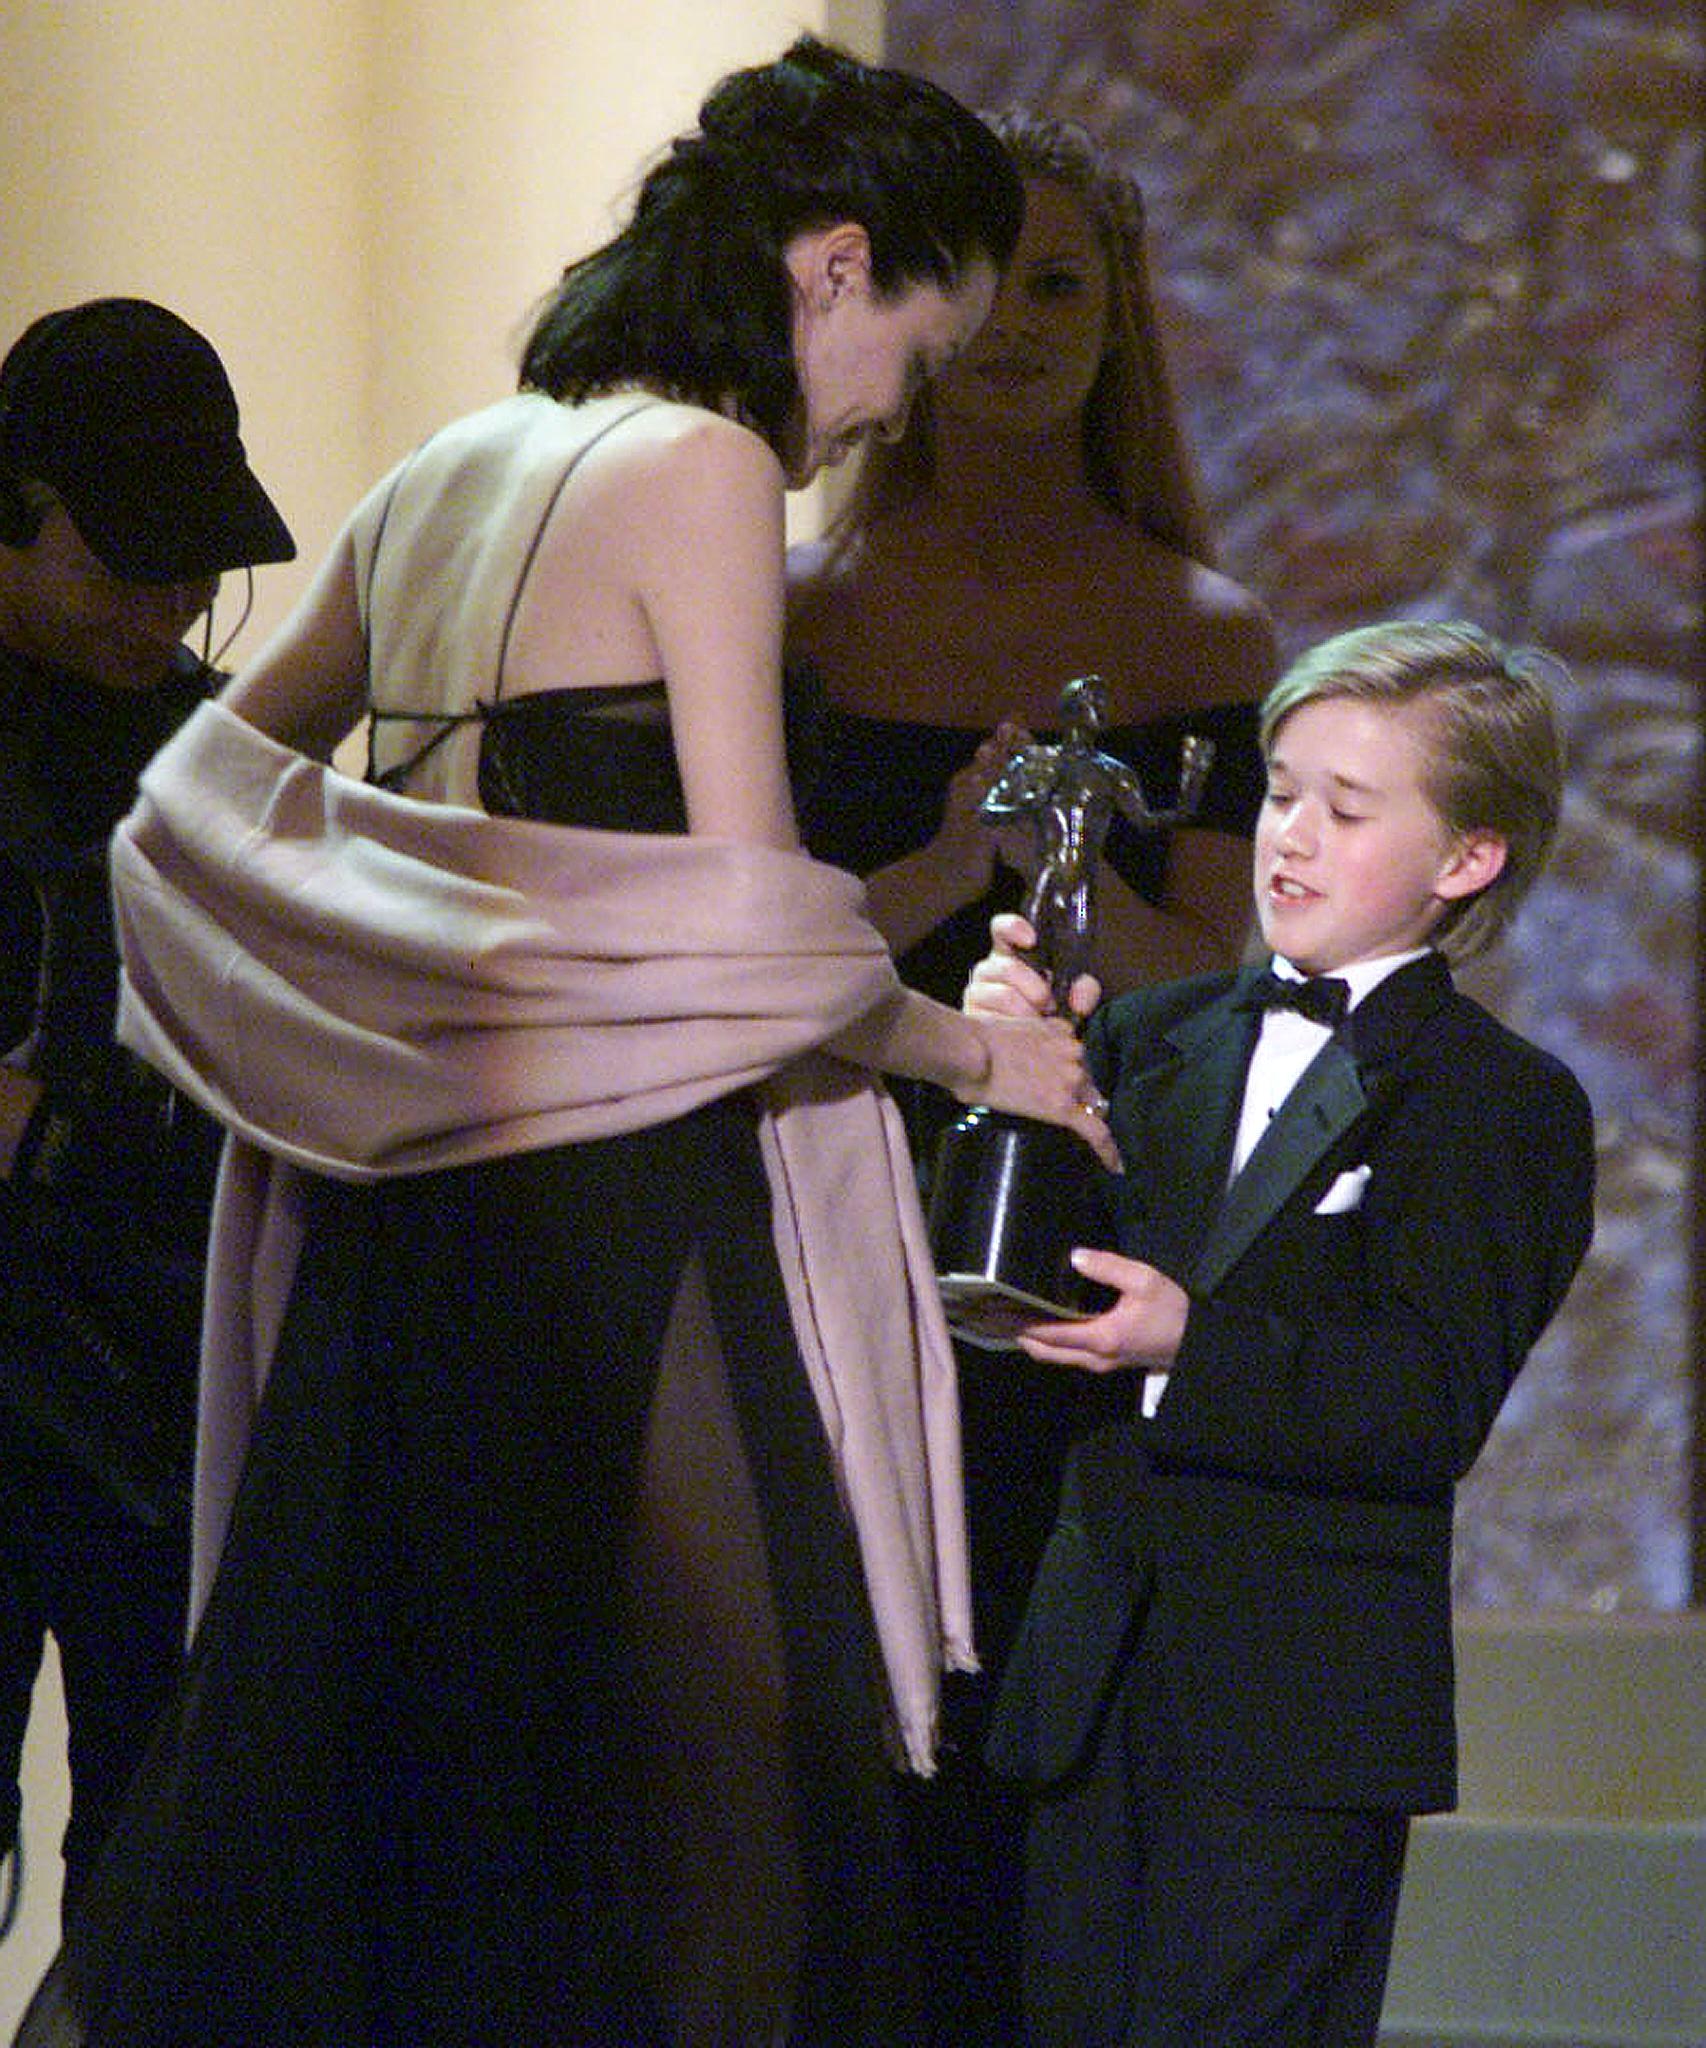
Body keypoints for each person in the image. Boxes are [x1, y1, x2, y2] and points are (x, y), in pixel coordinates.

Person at [12, 39, 1118, 2048]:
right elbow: (745, 910)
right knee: (708, 1808)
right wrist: (974, 1062)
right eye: (907, 348)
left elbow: (187, 812)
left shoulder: (448, 466)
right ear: (835, 264)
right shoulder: (693, 470)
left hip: (402, 1232)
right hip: (626, 1225)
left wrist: (382, 997)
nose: (885, 409)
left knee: (431, 1803)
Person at [786, 110, 1277, 2038]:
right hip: (822, 1199)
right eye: (987, 278)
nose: (1019, 326)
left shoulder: (1197, 627)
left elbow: (1219, 979)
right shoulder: (800, 608)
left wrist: (1054, 887)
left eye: (1063, 281)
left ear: (1115, 315)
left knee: (1019, 1705)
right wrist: (946, 862)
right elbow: (754, 937)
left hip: (1068, 1224)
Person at [965, 620, 1597, 2047]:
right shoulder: (1146, 1041)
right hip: (1087, 1678)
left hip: (1290, 1718)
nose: (1289, 840)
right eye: (1280, 790)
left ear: (1465, 861)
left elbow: (1426, 1399)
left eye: (1347, 810)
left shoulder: (1496, 1101)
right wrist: (993, 1088)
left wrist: (1191, 1343)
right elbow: (1003, 1307)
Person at [0, 297, 294, 1938]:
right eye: (137, 557)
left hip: (150, 1371)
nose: (181, 599)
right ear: (17, 510)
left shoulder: (208, 746)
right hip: (101, 1357)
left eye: (200, 559)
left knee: (158, 1892)